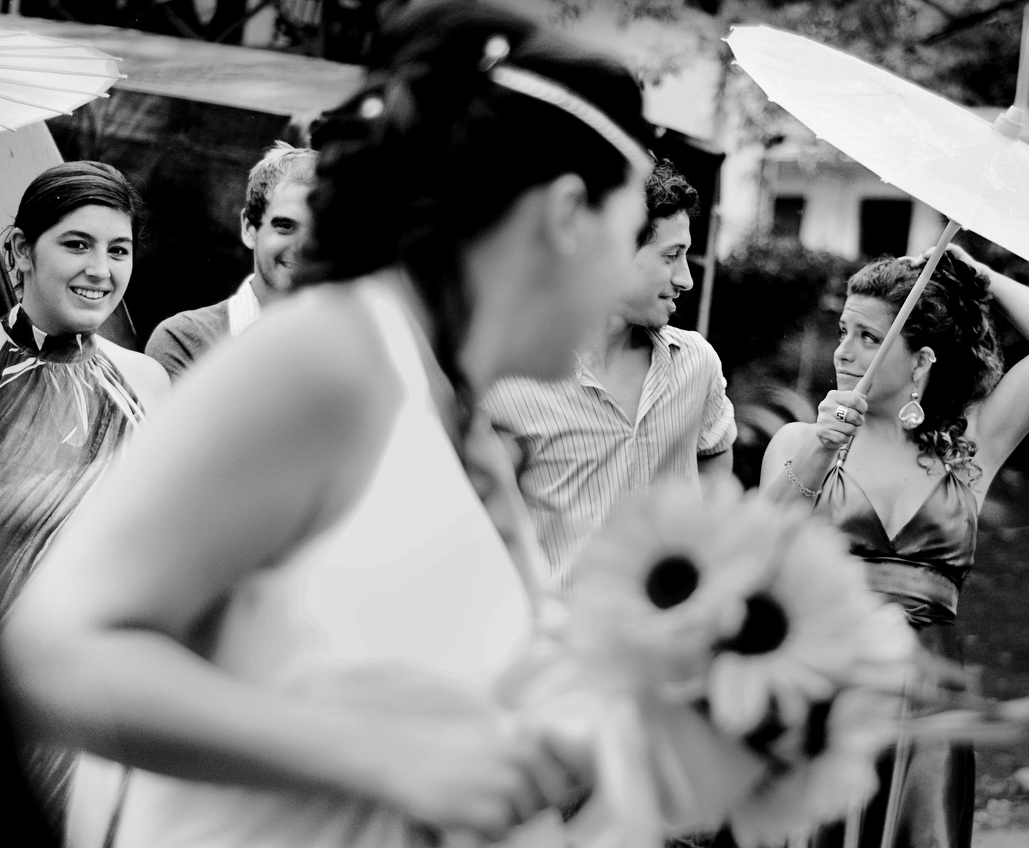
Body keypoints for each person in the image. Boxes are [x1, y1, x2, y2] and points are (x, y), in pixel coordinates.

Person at [0, 3, 653, 847]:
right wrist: (388, 758)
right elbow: (59, 654)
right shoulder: (330, 358)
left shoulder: (454, 413)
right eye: (634, 233)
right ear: (566, 215)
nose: (634, 280)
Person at [761, 248, 1029, 848]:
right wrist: (821, 449)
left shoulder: (968, 454)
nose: (844, 350)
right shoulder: (797, 440)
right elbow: (755, 552)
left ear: (922, 361)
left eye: (868, 337)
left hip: (928, 705)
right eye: (843, 331)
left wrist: (973, 272)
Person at [0, 159, 168, 829]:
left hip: (87, 703)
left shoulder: (146, 383)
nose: (100, 268)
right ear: (19, 250)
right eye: (76, 243)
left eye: (118, 249)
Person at [483, 160, 735, 590]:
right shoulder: (512, 381)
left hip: (668, 643)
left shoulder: (698, 365)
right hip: (558, 641)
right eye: (671, 256)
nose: (686, 279)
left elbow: (716, 477)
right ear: (616, 250)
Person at [145, 141, 317, 379]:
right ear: (249, 228)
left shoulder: (360, 345)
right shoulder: (185, 340)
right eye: (285, 226)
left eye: (322, 231)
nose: (303, 246)